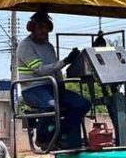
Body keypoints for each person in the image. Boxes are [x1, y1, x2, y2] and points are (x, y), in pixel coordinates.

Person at [16, 10, 91, 149]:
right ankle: (42, 138)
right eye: (40, 27)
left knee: (83, 104)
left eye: (46, 27)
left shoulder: (49, 47)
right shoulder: (25, 46)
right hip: (32, 89)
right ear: (32, 28)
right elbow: (40, 69)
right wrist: (66, 61)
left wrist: (61, 84)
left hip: (52, 87)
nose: (44, 31)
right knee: (51, 106)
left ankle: (60, 135)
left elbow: (55, 68)